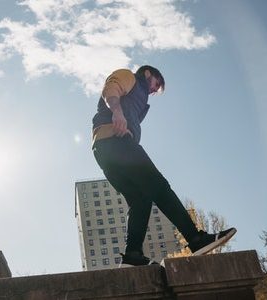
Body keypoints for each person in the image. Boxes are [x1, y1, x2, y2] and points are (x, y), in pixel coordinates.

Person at [91, 65, 236, 266]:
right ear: (148, 74)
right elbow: (111, 89)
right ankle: (196, 239)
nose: (154, 90)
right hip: (117, 142)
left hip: (105, 152)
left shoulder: (141, 98)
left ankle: (132, 255)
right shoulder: (130, 77)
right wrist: (117, 112)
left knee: (140, 200)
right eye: (156, 84)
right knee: (159, 187)